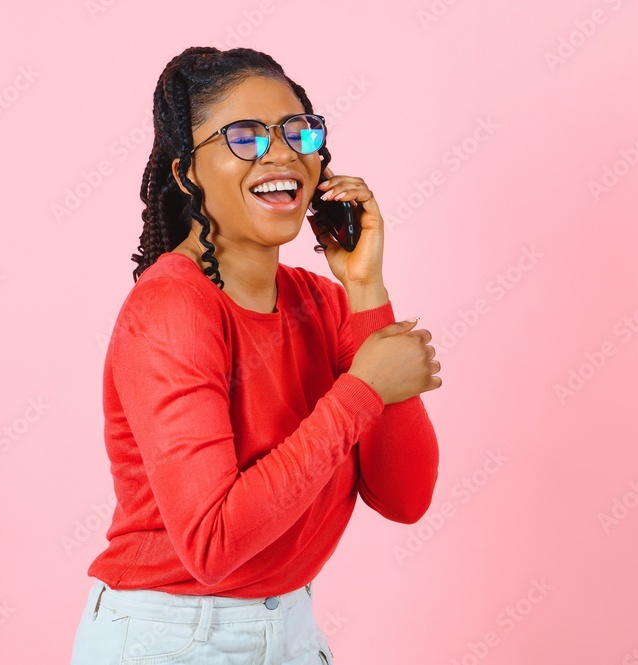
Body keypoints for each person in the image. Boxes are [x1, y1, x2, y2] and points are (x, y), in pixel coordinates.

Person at [68, 46, 442, 664]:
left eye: (299, 130)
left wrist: (367, 290)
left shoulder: (324, 303)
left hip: (291, 628)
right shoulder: (171, 310)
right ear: (186, 171)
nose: (283, 152)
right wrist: (363, 391)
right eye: (244, 136)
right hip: (172, 637)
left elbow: (405, 498)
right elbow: (212, 544)